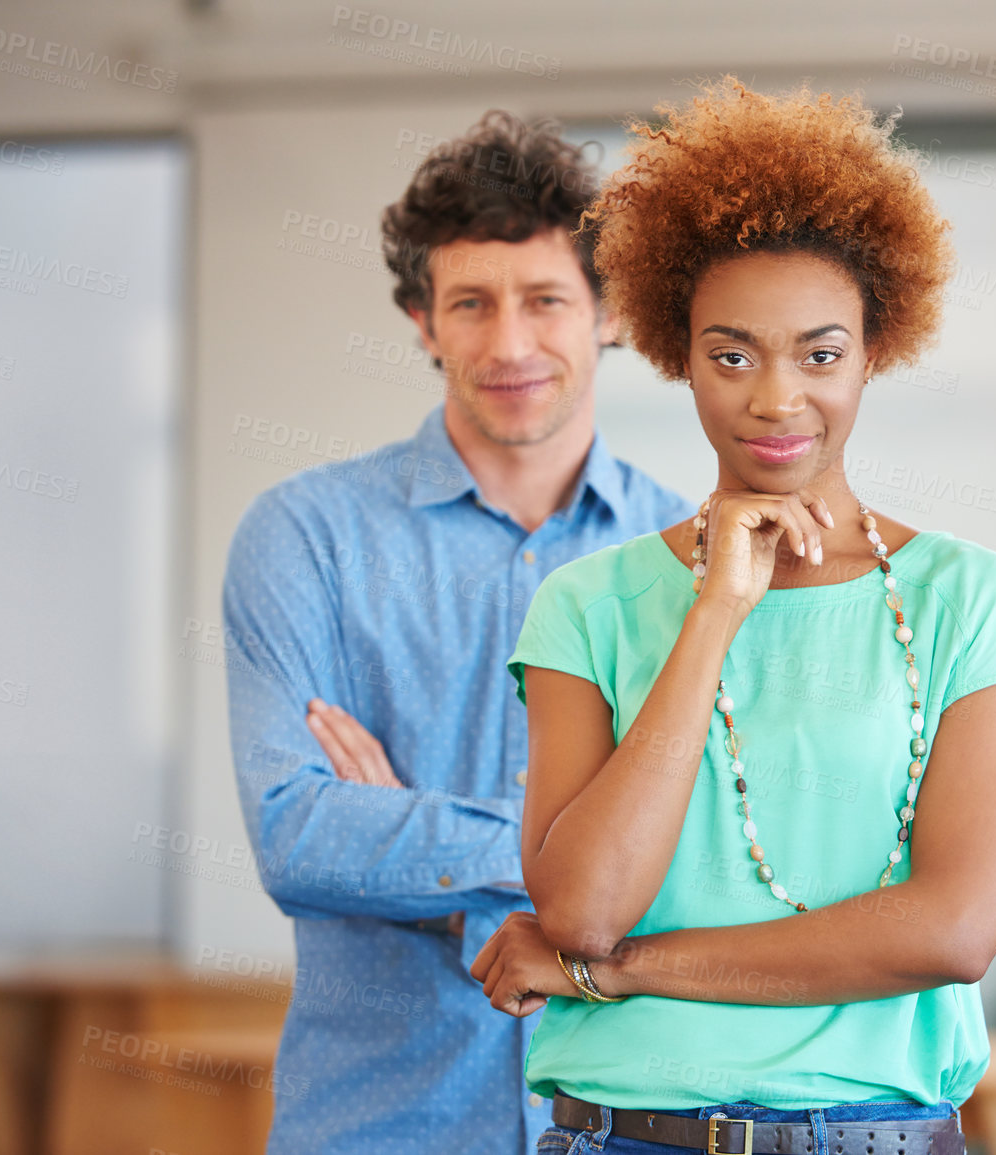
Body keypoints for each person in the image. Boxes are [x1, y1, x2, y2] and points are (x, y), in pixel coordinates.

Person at [467, 79, 996, 1155]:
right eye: (733, 354)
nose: (777, 398)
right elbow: (580, 912)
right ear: (679, 354)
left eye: (822, 354)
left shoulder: (963, 600)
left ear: (875, 351)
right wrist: (713, 615)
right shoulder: (589, 606)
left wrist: (624, 974)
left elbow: (953, 930)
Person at [222, 110, 690, 1154]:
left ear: (608, 314)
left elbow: (712, 866)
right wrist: (582, 861)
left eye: (546, 300)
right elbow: (296, 835)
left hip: (631, 1124)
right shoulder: (307, 538)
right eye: (470, 303)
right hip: (380, 1124)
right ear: (422, 321)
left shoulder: (691, 561)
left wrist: (409, 838)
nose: (510, 343)